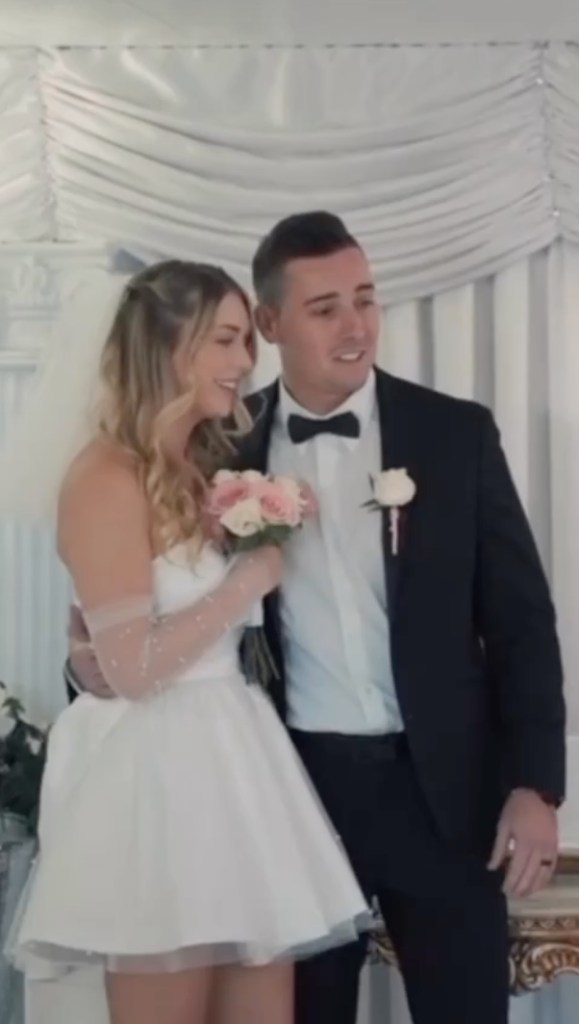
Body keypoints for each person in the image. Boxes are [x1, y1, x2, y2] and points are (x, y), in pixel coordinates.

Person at [68, 213, 566, 1024]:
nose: (355, 324)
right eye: (325, 306)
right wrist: (82, 662)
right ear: (269, 325)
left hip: (445, 798)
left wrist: (535, 784)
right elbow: (133, 600)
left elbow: (520, 621)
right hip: (294, 797)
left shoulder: (454, 435)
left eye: (365, 299)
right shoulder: (216, 448)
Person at [4, 259, 371, 1024]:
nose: (246, 363)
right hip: (156, 780)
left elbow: (120, 648)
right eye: (227, 340)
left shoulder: (194, 469)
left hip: (236, 763)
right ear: (168, 350)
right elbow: (134, 671)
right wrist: (247, 580)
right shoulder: (104, 476)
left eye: (245, 342)